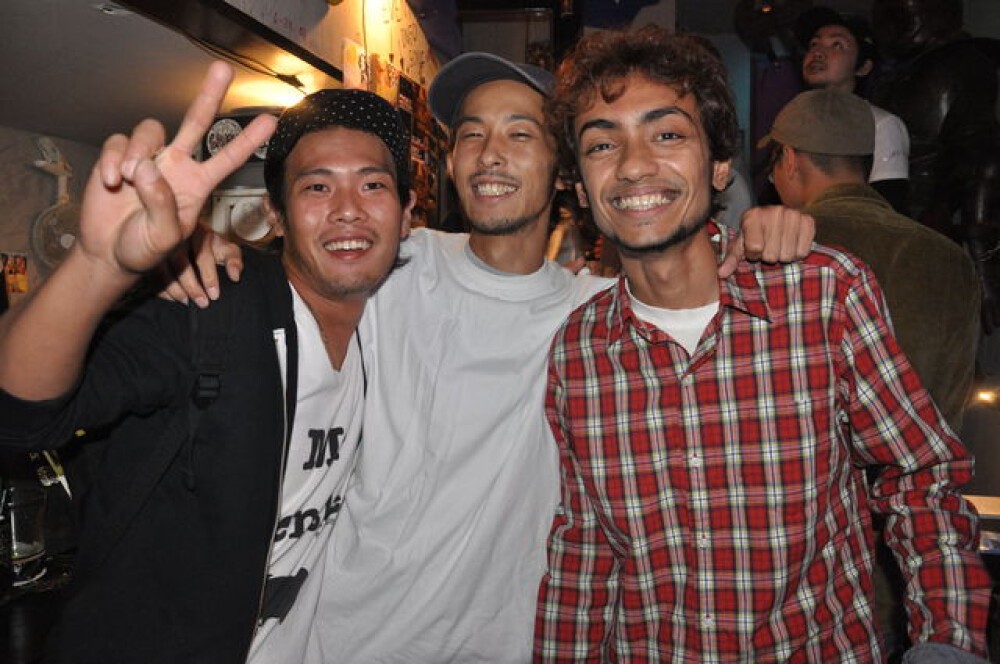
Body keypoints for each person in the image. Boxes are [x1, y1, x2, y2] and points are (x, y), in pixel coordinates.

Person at [170, 52, 815, 662]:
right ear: (450, 165)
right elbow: (294, 269)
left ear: (565, 173)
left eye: (520, 134)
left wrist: (749, 235)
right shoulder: (394, 264)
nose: (490, 154)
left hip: (511, 644)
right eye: (471, 135)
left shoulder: (599, 317)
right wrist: (203, 250)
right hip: (347, 639)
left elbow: (687, 277)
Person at [535, 25, 991, 662]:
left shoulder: (823, 294)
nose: (634, 165)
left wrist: (948, 639)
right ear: (582, 189)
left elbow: (920, 478)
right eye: (603, 144)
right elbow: (586, 548)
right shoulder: (579, 351)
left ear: (720, 165)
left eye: (667, 135)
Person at [0, 62, 414, 663]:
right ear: (275, 215)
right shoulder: (210, 302)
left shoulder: (394, 326)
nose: (348, 209)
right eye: (316, 187)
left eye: (373, 185)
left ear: (407, 214)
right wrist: (96, 267)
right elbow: (21, 418)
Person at [763, 87, 979, 432]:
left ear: (789, 160)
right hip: (921, 460)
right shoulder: (949, 257)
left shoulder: (780, 250)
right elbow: (953, 395)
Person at [869, 0, 1000, 332]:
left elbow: (982, 158)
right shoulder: (902, 74)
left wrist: (982, 260)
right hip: (900, 232)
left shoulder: (959, 64)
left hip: (939, 234)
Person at [795, 6, 911, 215]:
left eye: (837, 45)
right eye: (814, 44)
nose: (817, 53)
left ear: (863, 67)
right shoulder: (793, 122)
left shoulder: (880, 125)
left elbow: (887, 210)